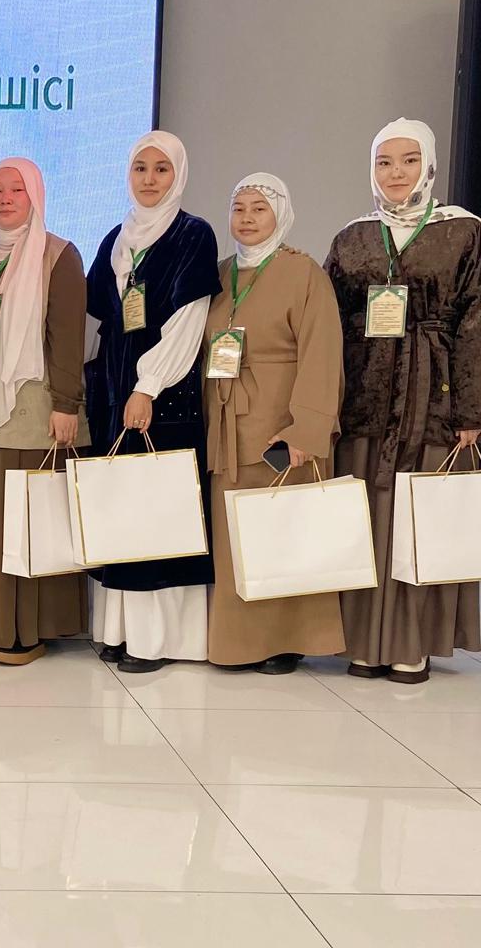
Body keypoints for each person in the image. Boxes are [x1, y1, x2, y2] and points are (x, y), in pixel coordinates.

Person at [325, 118, 481, 683]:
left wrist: (471, 410)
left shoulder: (463, 231)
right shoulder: (353, 237)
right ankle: (363, 642)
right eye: (385, 162)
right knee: (366, 514)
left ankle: (411, 644)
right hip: (365, 396)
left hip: (433, 398)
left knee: (418, 520)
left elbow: (476, 322)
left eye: (409, 161)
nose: (396, 173)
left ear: (429, 166)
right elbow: (330, 324)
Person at [84, 131, 221, 673]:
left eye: (161, 169)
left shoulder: (193, 234)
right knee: (121, 511)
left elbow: (188, 322)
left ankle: (157, 640)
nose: (149, 179)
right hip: (115, 394)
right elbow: (102, 321)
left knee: (158, 514)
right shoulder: (117, 238)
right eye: (140, 167)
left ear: (178, 175)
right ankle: (119, 631)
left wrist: (148, 386)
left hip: (164, 396)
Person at [205, 173, 346, 673]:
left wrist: (306, 428)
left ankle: (285, 641)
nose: (246, 218)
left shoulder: (304, 273)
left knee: (282, 534)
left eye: (259, 208)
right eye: (238, 208)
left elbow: (322, 353)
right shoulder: (220, 274)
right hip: (227, 422)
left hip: (278, 426)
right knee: (235, 537)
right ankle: (238, 642)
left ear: (280, 214)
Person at [0, 157, 87, 665]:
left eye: (17, 189)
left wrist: (66, 404)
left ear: (35, 197)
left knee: (25, 521)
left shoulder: (58, 256)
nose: (6, 199)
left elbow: (68, 336)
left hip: (33, 413)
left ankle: (22, 632)